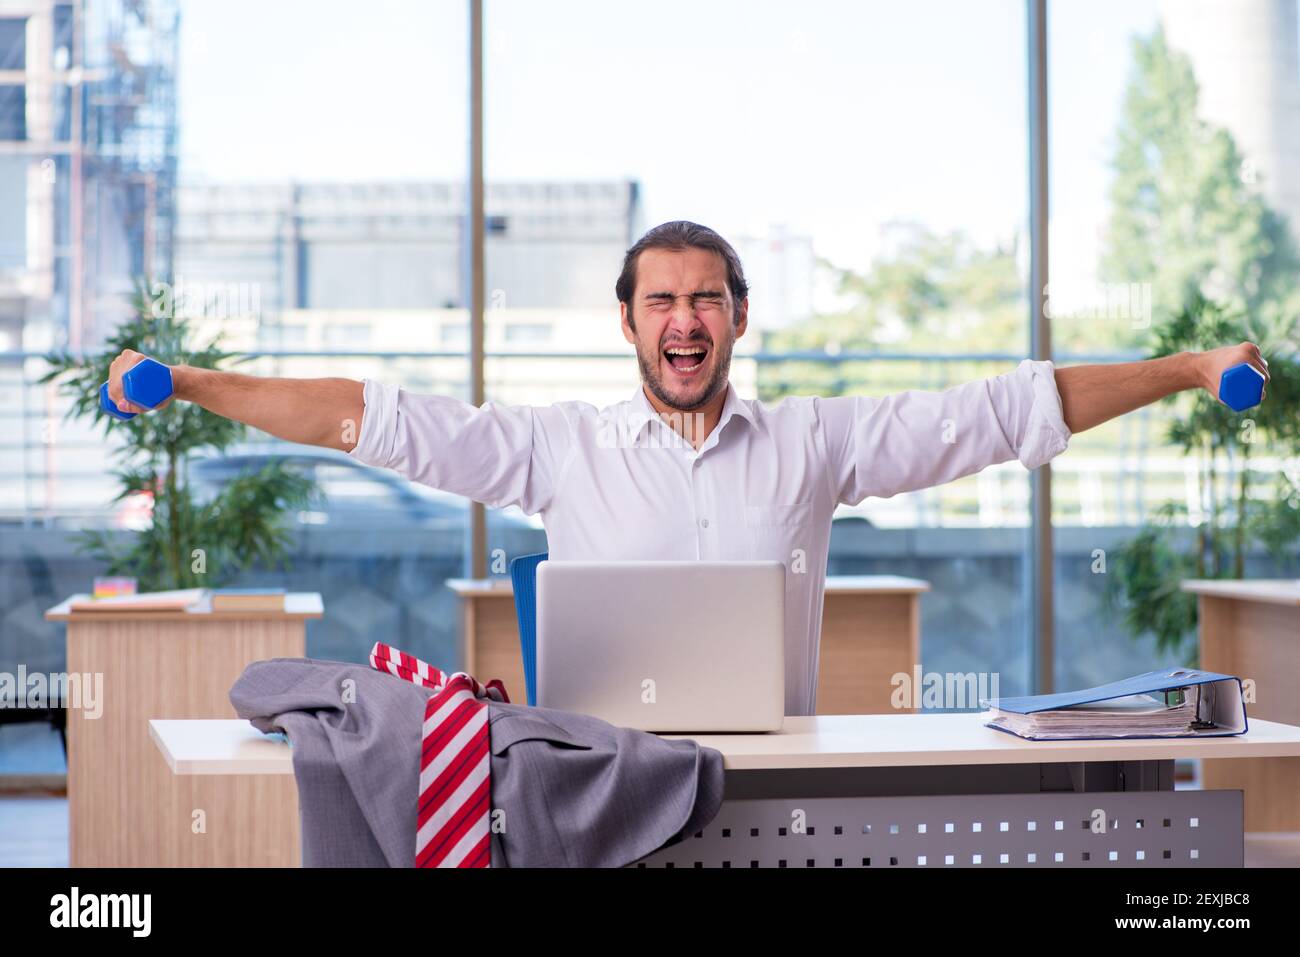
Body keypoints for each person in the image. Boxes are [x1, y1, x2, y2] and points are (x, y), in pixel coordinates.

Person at [106, 220, 1269, 716]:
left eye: (704, 298)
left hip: (781, 773)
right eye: (660, 299)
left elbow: (1001, 413)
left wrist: (1181, 370)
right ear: (628, 325)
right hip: (607, 784)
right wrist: (199, 384)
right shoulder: (556, 453)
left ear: (737, 318)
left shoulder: (814, 443)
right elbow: (373, 418)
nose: (684, 318)